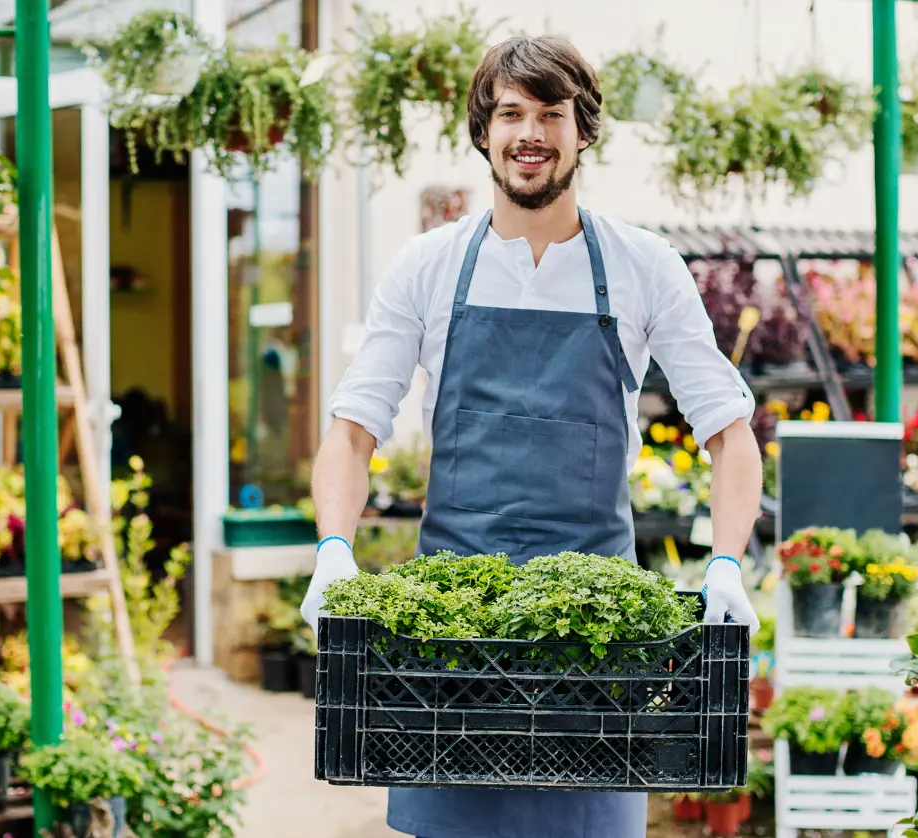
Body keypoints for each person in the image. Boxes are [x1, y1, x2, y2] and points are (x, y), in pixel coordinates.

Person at [300, 34, 763, 838]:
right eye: (512, 113)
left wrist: (726, 563)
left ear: (584, 131)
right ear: (484, 130)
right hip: (452, 642)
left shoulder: (644, 267)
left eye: (552, 114)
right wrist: (334, 551)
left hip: (597, 645)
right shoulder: (428, 265)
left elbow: (728, 429)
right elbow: (353, 429)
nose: (531, 134)